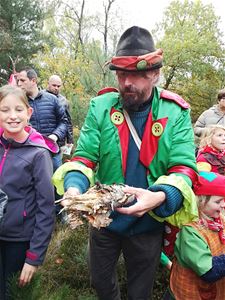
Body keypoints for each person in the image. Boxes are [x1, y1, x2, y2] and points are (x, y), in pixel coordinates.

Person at [52, 26, 197, 299]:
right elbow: (83, 158)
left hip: (148, 224)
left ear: (154, 74)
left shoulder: (175, 112)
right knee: (100, 282)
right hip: (104, 222)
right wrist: (74, 188)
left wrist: (159, 197)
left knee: (140, 291)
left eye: (136, 75)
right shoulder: (101, 106)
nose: (127, 83)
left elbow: (184, 168)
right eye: (121, 74)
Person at [0, 85, 57, 299]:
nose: (12, 116)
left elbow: (46, 208)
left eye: (18, 110)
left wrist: (34, 257)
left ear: (29, 113)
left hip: (19, 240)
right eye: (5, 110)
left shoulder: (38, 154)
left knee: (12, 293)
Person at [170, 171, 225, 300]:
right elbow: (208, 272)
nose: (223, 205)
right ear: (200, 202)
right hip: (191, 292)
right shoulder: (190, 232)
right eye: (218, 202)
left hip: (215, 289)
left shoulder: (218, 218)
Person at [16, 67, 68, 171]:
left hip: (52, 153)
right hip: (28, 154)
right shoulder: (19, 103)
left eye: (22, 80)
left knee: (56, 184)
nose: (19, 84)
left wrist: (55, 135)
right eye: (18, 81)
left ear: (33, 80)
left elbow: (64, 122)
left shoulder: (52, 99)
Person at [45, 75, 74, 152]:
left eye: (58, 86)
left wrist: (70, 141)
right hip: (42, 140)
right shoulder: (40, 97)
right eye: (54, 85)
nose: (56, 88)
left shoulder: (63, 101)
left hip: (59, 142)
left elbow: (68, 122)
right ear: (48, 84)